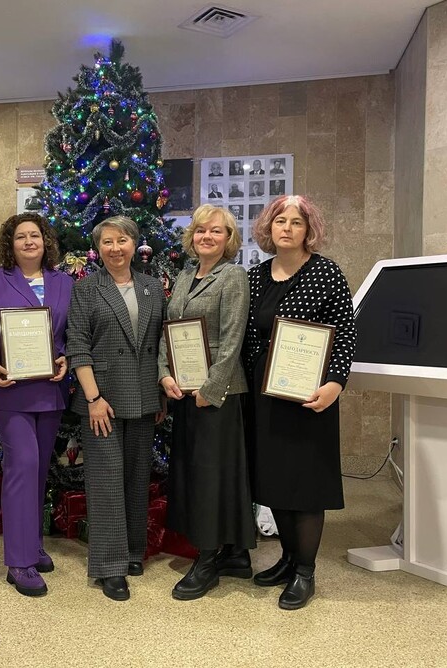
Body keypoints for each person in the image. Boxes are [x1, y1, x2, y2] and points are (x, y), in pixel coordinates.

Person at [242, 195, 356, 610]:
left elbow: (345, 332)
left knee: (305, 484)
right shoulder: (255, 277)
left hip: (310, 395)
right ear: (268, 228)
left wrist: (335, 383)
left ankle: (305, 572)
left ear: (309, 230)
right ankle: (288, 559)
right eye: (280, 221)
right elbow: (247, 335)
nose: (287, 228)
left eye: (296, 222)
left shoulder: (326, 273)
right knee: (273, 479)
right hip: (265, 393)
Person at [158, 204, 256, 600]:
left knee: (212, 475)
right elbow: (169, 329)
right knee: (196, 471)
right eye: (201, 230)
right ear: (192, 236)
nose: (207, 236)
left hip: (218, 393)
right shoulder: (185, 275)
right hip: (184, 389)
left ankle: (208, 558)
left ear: (229, 239)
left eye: (217, 231)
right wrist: (164, 372)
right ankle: (235, 554)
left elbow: (233, 338)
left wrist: (211, 388)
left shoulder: (233, 276)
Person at [67, 215, 166, 601]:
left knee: (137, 477)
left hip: (144, 395)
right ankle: (110, 567)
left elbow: (160, 343)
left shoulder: (151, 287)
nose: (115, 248)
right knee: (106, 482)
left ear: (134, 244)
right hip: (102, 399)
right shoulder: (86, 289)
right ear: (98, 248)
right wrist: (93, 398)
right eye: (107, 242)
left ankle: (133, 551)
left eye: (122, 240)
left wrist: (160, 395)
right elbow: (78, 343)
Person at [0, 212, 72, 597]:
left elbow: (71, 331)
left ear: (46, 241)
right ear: (10, 245)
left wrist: (65, 357)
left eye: (35, 235)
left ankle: (32, 543)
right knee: (23, 464)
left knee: (39, 468)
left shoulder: (64, 282)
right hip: (9, 389)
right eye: (20, 237)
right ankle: (19, 561)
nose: (29, 241)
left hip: (50, 390)